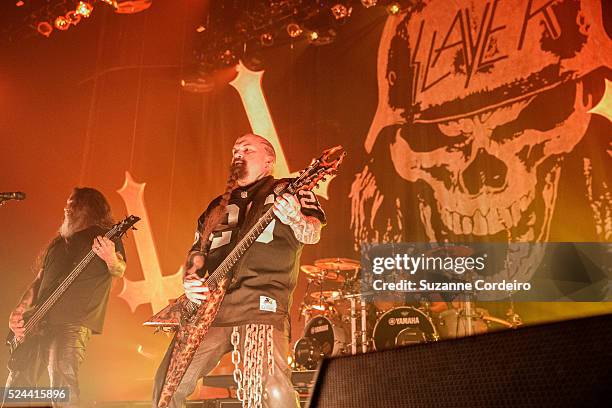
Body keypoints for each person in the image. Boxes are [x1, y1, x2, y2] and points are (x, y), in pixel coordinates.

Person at [153, 133, 326, 408]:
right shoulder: (216, 206)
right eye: (235, 149)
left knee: (272, 390)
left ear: (269, 160)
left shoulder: (292, 189)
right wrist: (190, 280)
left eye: (247, 149)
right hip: (210, 310)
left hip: (259, 304)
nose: (238, 153)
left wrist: (294, 217)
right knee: (167, 385)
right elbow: (197, 252)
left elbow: (313, 232)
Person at [4, 187, 126, 407]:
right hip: (37, 321)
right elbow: (38, 281)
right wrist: (21, 308)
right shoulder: (59, 243)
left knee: (61, 386)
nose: (65, 208)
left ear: (87, 207)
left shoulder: (104, 237)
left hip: (72, 322)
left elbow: (119, 269)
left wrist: (110, 259)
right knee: (18, 388)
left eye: (71, 204)